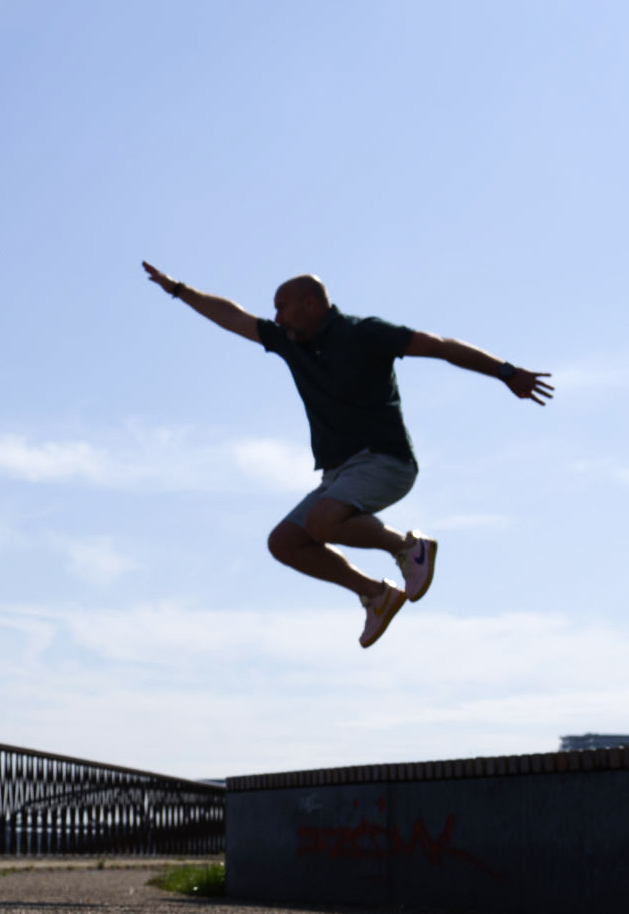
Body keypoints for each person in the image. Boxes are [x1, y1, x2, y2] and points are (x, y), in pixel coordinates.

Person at [140, 262, 552, 647]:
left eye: (282, 308)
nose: (277, 318)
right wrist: (178, 290)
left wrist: (506, 372)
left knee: (322, 522)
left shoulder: (364, 334)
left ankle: (408, 547)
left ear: (310, 304)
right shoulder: (291, 343)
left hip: (385, 460)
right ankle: (375, 594)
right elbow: (232, 317)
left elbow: (440, 346)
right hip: (337, 474)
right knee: (285, 543)